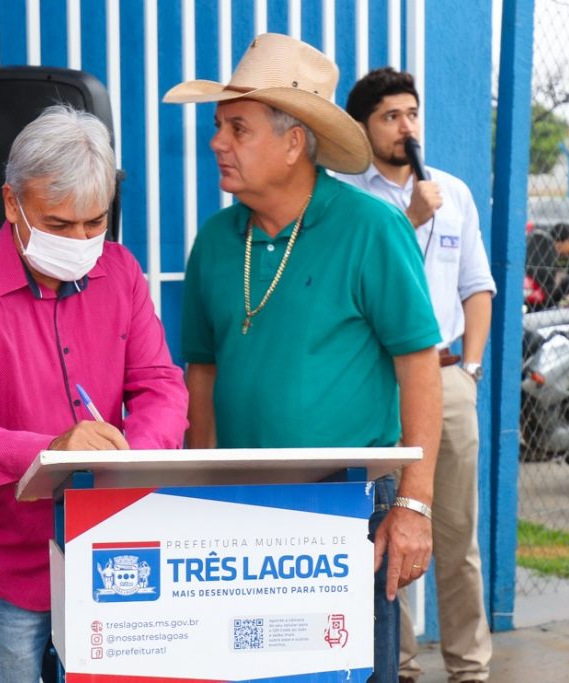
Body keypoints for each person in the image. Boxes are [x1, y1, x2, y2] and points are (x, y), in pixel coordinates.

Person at [164, 34, 443, 682]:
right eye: (217, 127)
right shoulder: (213, 241)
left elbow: (418, 365)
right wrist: (196, 499)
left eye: (238, 128)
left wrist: (416, 505)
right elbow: (200, 375)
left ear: (294, 143)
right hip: (238, 518)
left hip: (347, 510)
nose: (217, 143)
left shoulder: (370, 228)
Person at [0, 105, 188, 682]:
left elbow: (161, 384)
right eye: (59, 225)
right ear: (12, 203)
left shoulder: (122, 271)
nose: (82, 241)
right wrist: (49, 453)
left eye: (95, 222)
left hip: (108, 555)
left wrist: (135, 453)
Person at [339, 67, 496, 683]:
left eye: (412, 113)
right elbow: (356, 284)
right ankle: (397, 666)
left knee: (456, 535)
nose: (406, 127)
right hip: (380, 387)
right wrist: (408, 218)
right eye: (390, 116)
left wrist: (474, 371)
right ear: (362, 127)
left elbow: (477, 288)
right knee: (390, 526)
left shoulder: (452, 192)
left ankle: (469, 669)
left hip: (450, 379)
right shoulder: (349, 198)